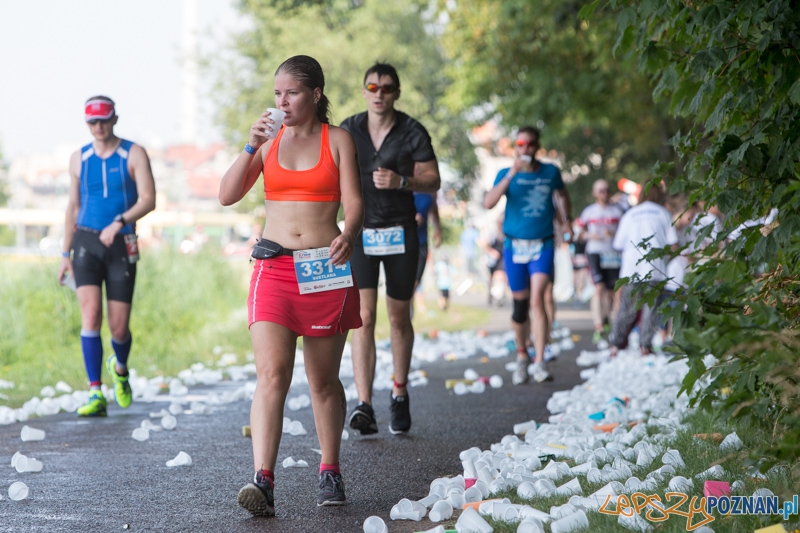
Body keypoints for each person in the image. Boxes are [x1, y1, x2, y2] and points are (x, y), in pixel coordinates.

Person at [218, 55, 363, 515]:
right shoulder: (267, 142)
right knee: (272, 375)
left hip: (324, 268)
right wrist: (250, 145)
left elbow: (354, 202)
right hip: (274, 268)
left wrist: (349, 234)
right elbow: (227, 195)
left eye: (292, 93)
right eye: (277, 93)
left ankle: (330, 469)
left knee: (322, 381)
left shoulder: (338, 140)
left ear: (315, 94)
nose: (282, 102)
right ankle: (262, 479)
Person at [341, 62, 441, 436]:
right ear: (364, 91)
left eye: (386, 88)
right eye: (372, 87)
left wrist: (402, 181)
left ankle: (399, 392)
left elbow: (433, 180)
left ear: (396, 93)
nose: (379, 93)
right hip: (361, 233)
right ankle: (364, 404)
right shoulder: (349, 129)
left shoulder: (412, 131)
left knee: (398, 317)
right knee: (363, 317)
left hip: (400, 232)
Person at [56, 96, 156, 417]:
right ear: (87, 123)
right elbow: (73, 206)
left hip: (121, 242)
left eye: (104, 120)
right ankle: (95, 392)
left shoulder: (133, 153)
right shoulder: (78, 158)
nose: (98, 127)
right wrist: (65, 253)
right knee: (90, 315)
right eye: (92, 122)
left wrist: (119, 221)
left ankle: (121, 369)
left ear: (114, 119)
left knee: (118, 328)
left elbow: (149, 199)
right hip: (86, 242)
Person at [484, 126, 571, 385]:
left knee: (538, 300)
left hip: (543, 244)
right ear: (515, 147)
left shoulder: (550, 172)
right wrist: (512, 173)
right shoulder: (505, 173)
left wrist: (566, 220)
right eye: (520, 144)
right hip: (514, 246)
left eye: (530, 144)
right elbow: (488, 202)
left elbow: (562, 195)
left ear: (537, 146)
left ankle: (540, 361)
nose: (525, 148)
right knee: (520, 306)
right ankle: (522, 354)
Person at [609, 179, 678, 356]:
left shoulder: (630, 214)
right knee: (651, 309)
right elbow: (674, 244)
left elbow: (617, 244)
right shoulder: (663, 213)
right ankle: (645, 347)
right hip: (655, 268)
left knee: (627, 309)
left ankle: (615, 346)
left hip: (631, 269)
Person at [576, 179, 624, 343]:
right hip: (595, 252)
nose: (605, 194)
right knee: (598, 288)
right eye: (601, 191)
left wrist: (614, 234)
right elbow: (578, 232)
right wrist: (590, 235)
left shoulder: (617, 211)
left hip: (613, 253)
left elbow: (625, 231)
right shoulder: (589, 211)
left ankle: (608, 321)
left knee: (612, 292)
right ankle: (598, 326)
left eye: (607, 190)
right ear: (594, 193)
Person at [412, 192, 442, 315]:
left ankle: (408, 313)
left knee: (415, 282)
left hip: (421, 243)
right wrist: (409, 216)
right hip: (402, 241)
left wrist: (437, 228)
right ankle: (406, 313)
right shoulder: (402, 185)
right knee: (405, 285)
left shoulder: (430, 191)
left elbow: (433, 209)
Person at [480, 214, 507, 307]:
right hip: (492, 261)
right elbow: (486, 245)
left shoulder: (506, 235)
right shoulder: (493, 235)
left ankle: (499, 297)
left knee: (500, 277)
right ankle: (494, 296)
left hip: (502, 260)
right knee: (492, 279)